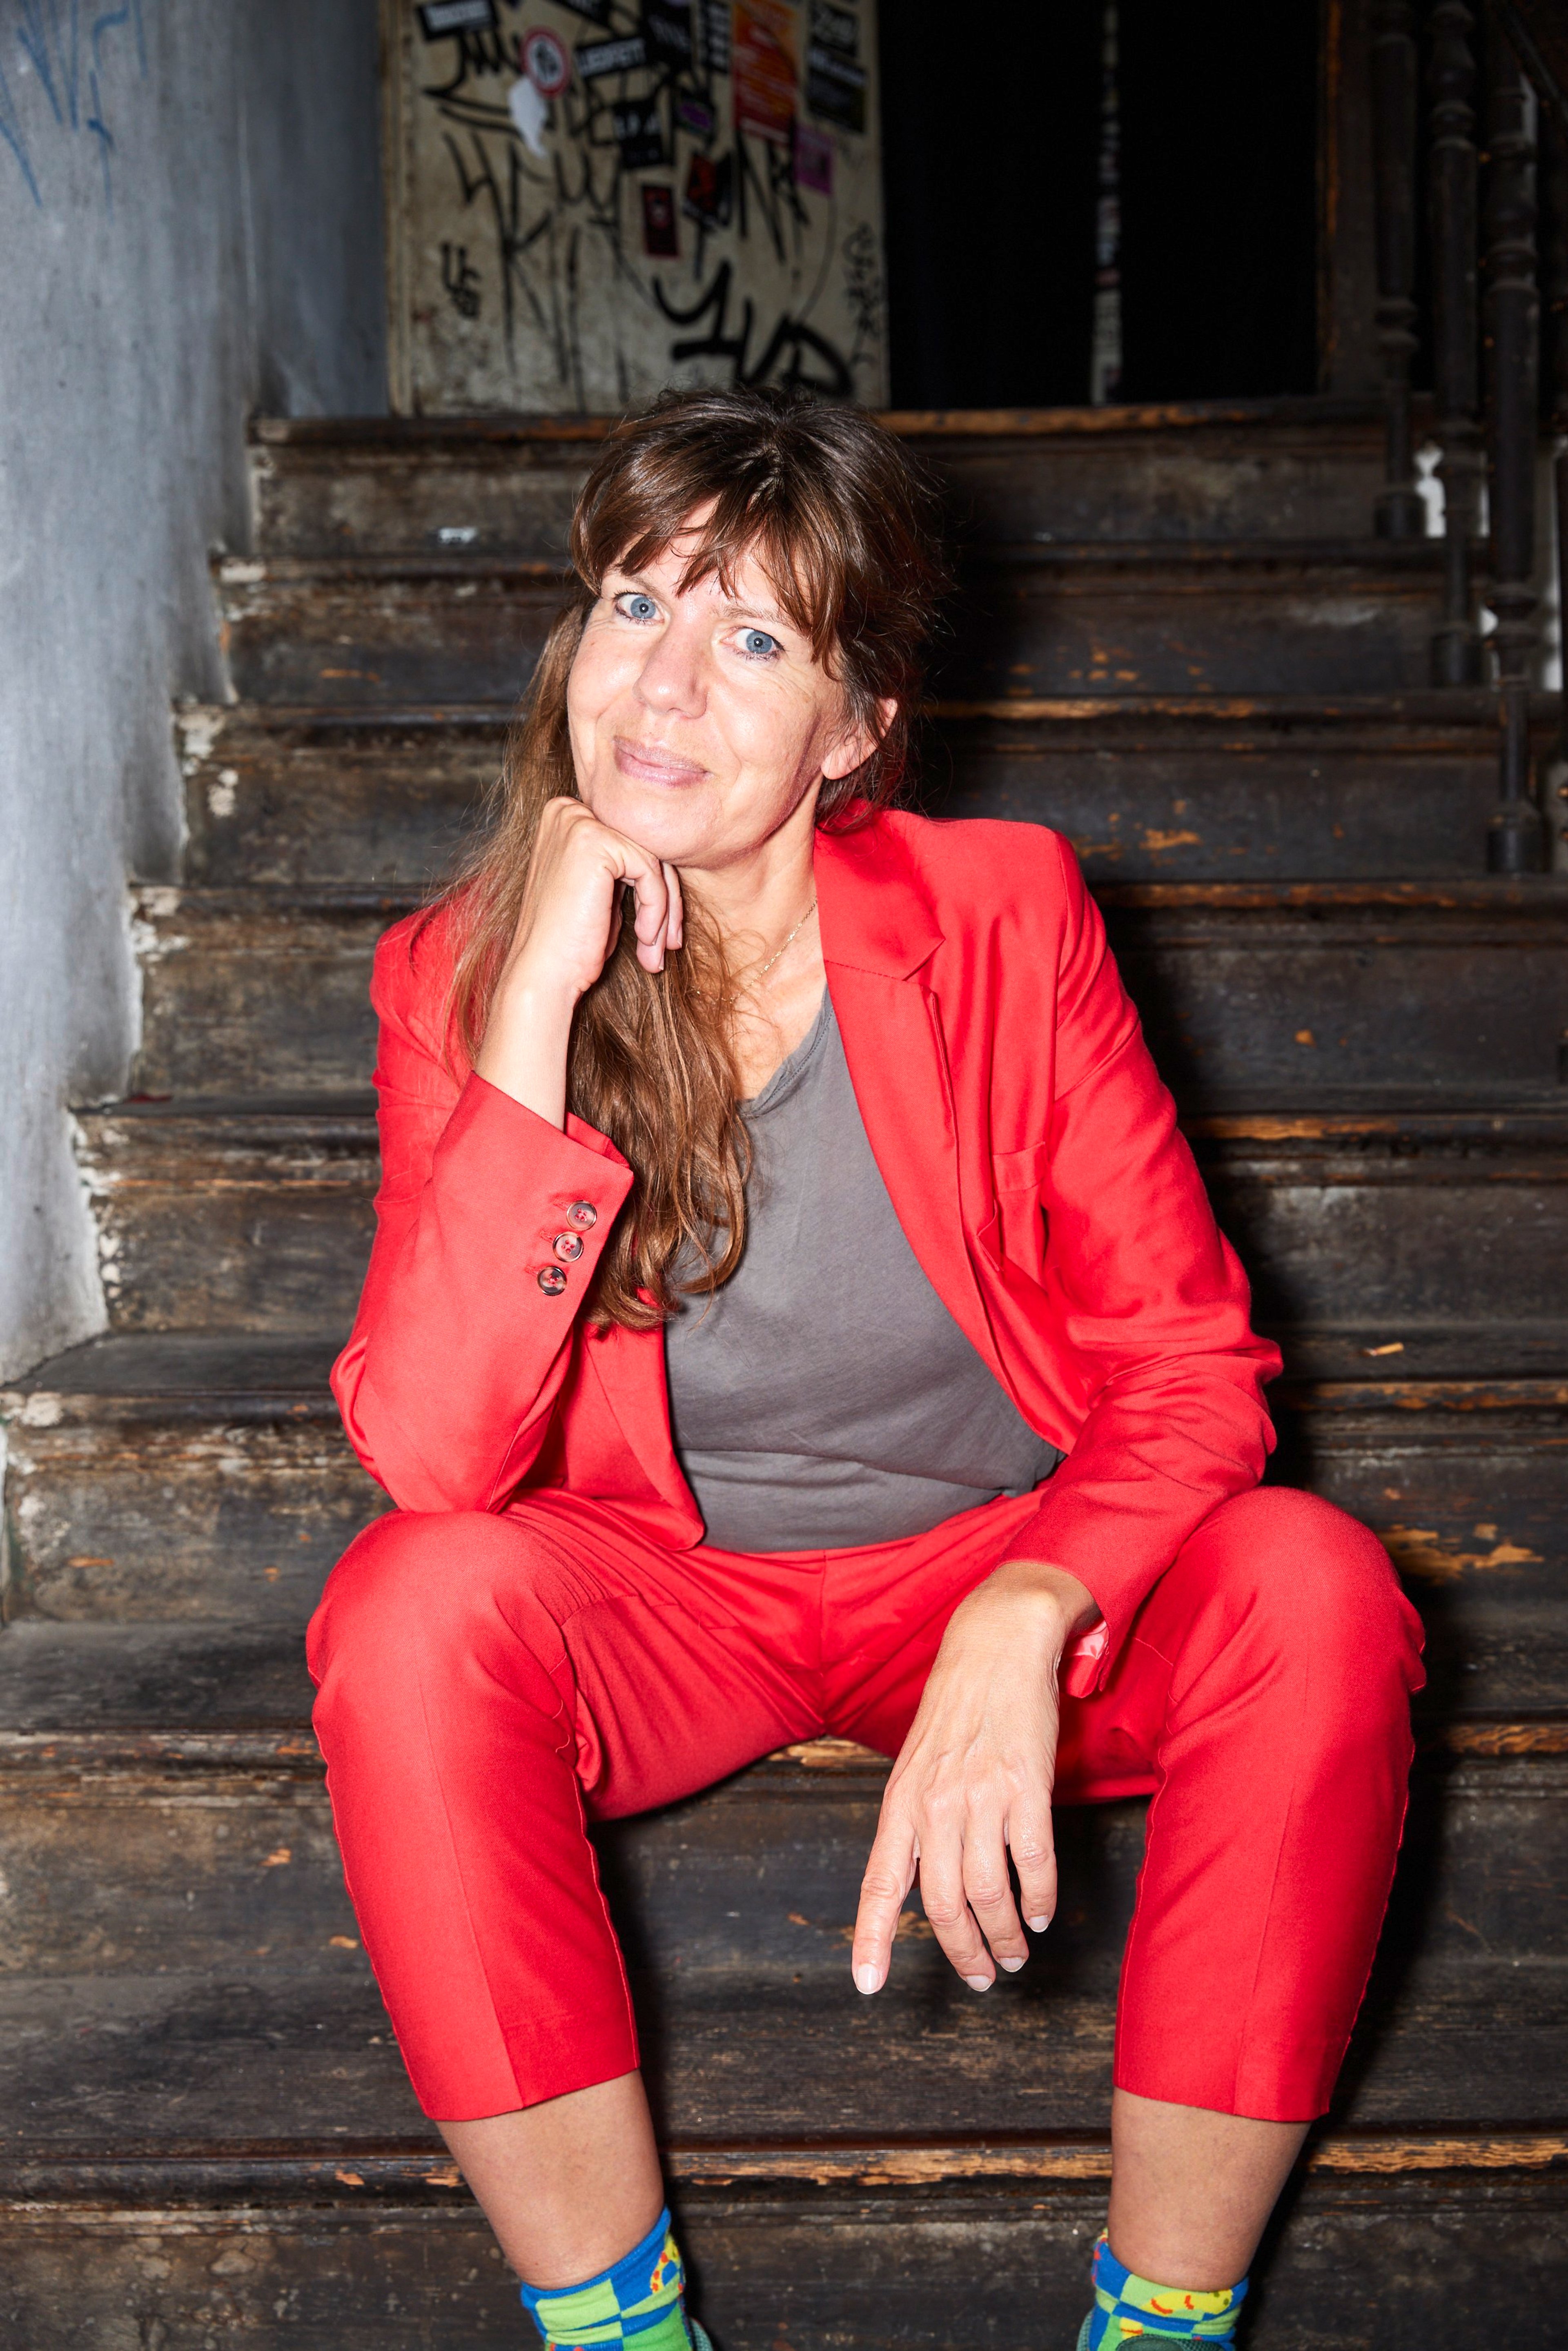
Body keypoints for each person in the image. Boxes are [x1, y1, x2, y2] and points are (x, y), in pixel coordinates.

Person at [308, 386, 1424, 2351]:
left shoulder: (1003, 917)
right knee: (407, 1610)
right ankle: (615, 2321)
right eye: (637, 606)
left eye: (754, 638)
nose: (665, 684)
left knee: (1319, 1591)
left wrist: (1028, 1596)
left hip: (985, 1568)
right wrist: (535, 1018)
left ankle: (1164, 2317)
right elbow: (431, 1456)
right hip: (666, 1600)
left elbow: (1192, 1368)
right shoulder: (455, 972)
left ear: (851, 732)